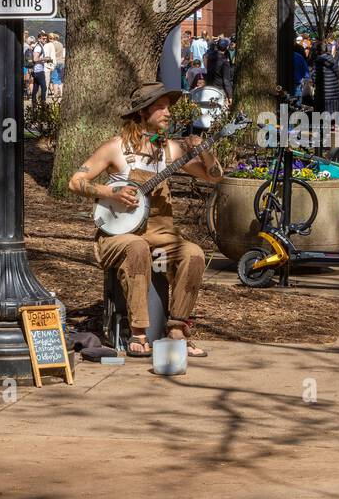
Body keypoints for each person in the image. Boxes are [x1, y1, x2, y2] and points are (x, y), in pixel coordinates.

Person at [68, 83, 219, 359]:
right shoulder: (115, 147)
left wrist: (205, 150)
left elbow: (213, 176)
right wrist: (110, 191)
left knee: (194, 254)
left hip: (161, 233)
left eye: (168, 107)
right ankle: (138, 332)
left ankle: (177, 328)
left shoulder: (170, 150)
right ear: (142, 113)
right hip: (117, 235)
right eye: (160, 107)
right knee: (136, 247)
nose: (168, 113)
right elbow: (76, 181)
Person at [28, 34, 49, 106]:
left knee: (35, 88)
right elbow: (35, 59)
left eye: (46, 38)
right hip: (39, 71)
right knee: (44, 88)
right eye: (43, 38)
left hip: (36, 70)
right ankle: (43, 104)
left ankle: (34, 104)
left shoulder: (39, 46)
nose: (45, 40)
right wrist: (45, 59)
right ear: (39, 39)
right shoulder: (38, 47)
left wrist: (44, 60)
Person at [45, 32, 65, 102]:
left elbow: (50, 55)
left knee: (54, 79)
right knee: (60, 78)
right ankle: (62, 93)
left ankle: (55, 93)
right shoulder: (60, 44)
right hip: (61, 62)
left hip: (54, 62)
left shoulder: (51, 45)